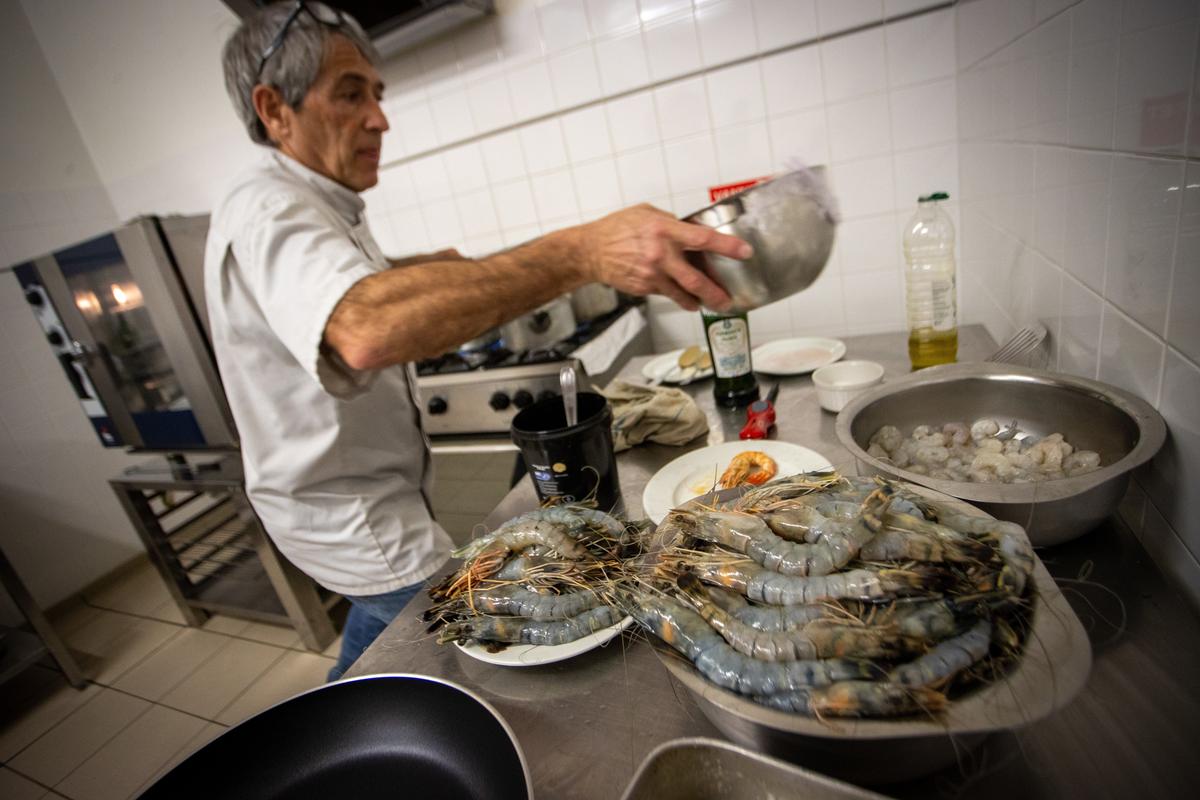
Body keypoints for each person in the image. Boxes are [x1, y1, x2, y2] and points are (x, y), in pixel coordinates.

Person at [206, 1, 751, 681]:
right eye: (351, 94)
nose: (380, 118)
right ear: (274, 108)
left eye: (377, 94)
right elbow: (365, 327)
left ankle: (335, 720)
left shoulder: (310, 202)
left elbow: (346, 295)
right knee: (465, 660)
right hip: (353, 520)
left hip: (357, 503)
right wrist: (582, 251)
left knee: (378, 650)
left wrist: (433, 269)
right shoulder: (272, 207)